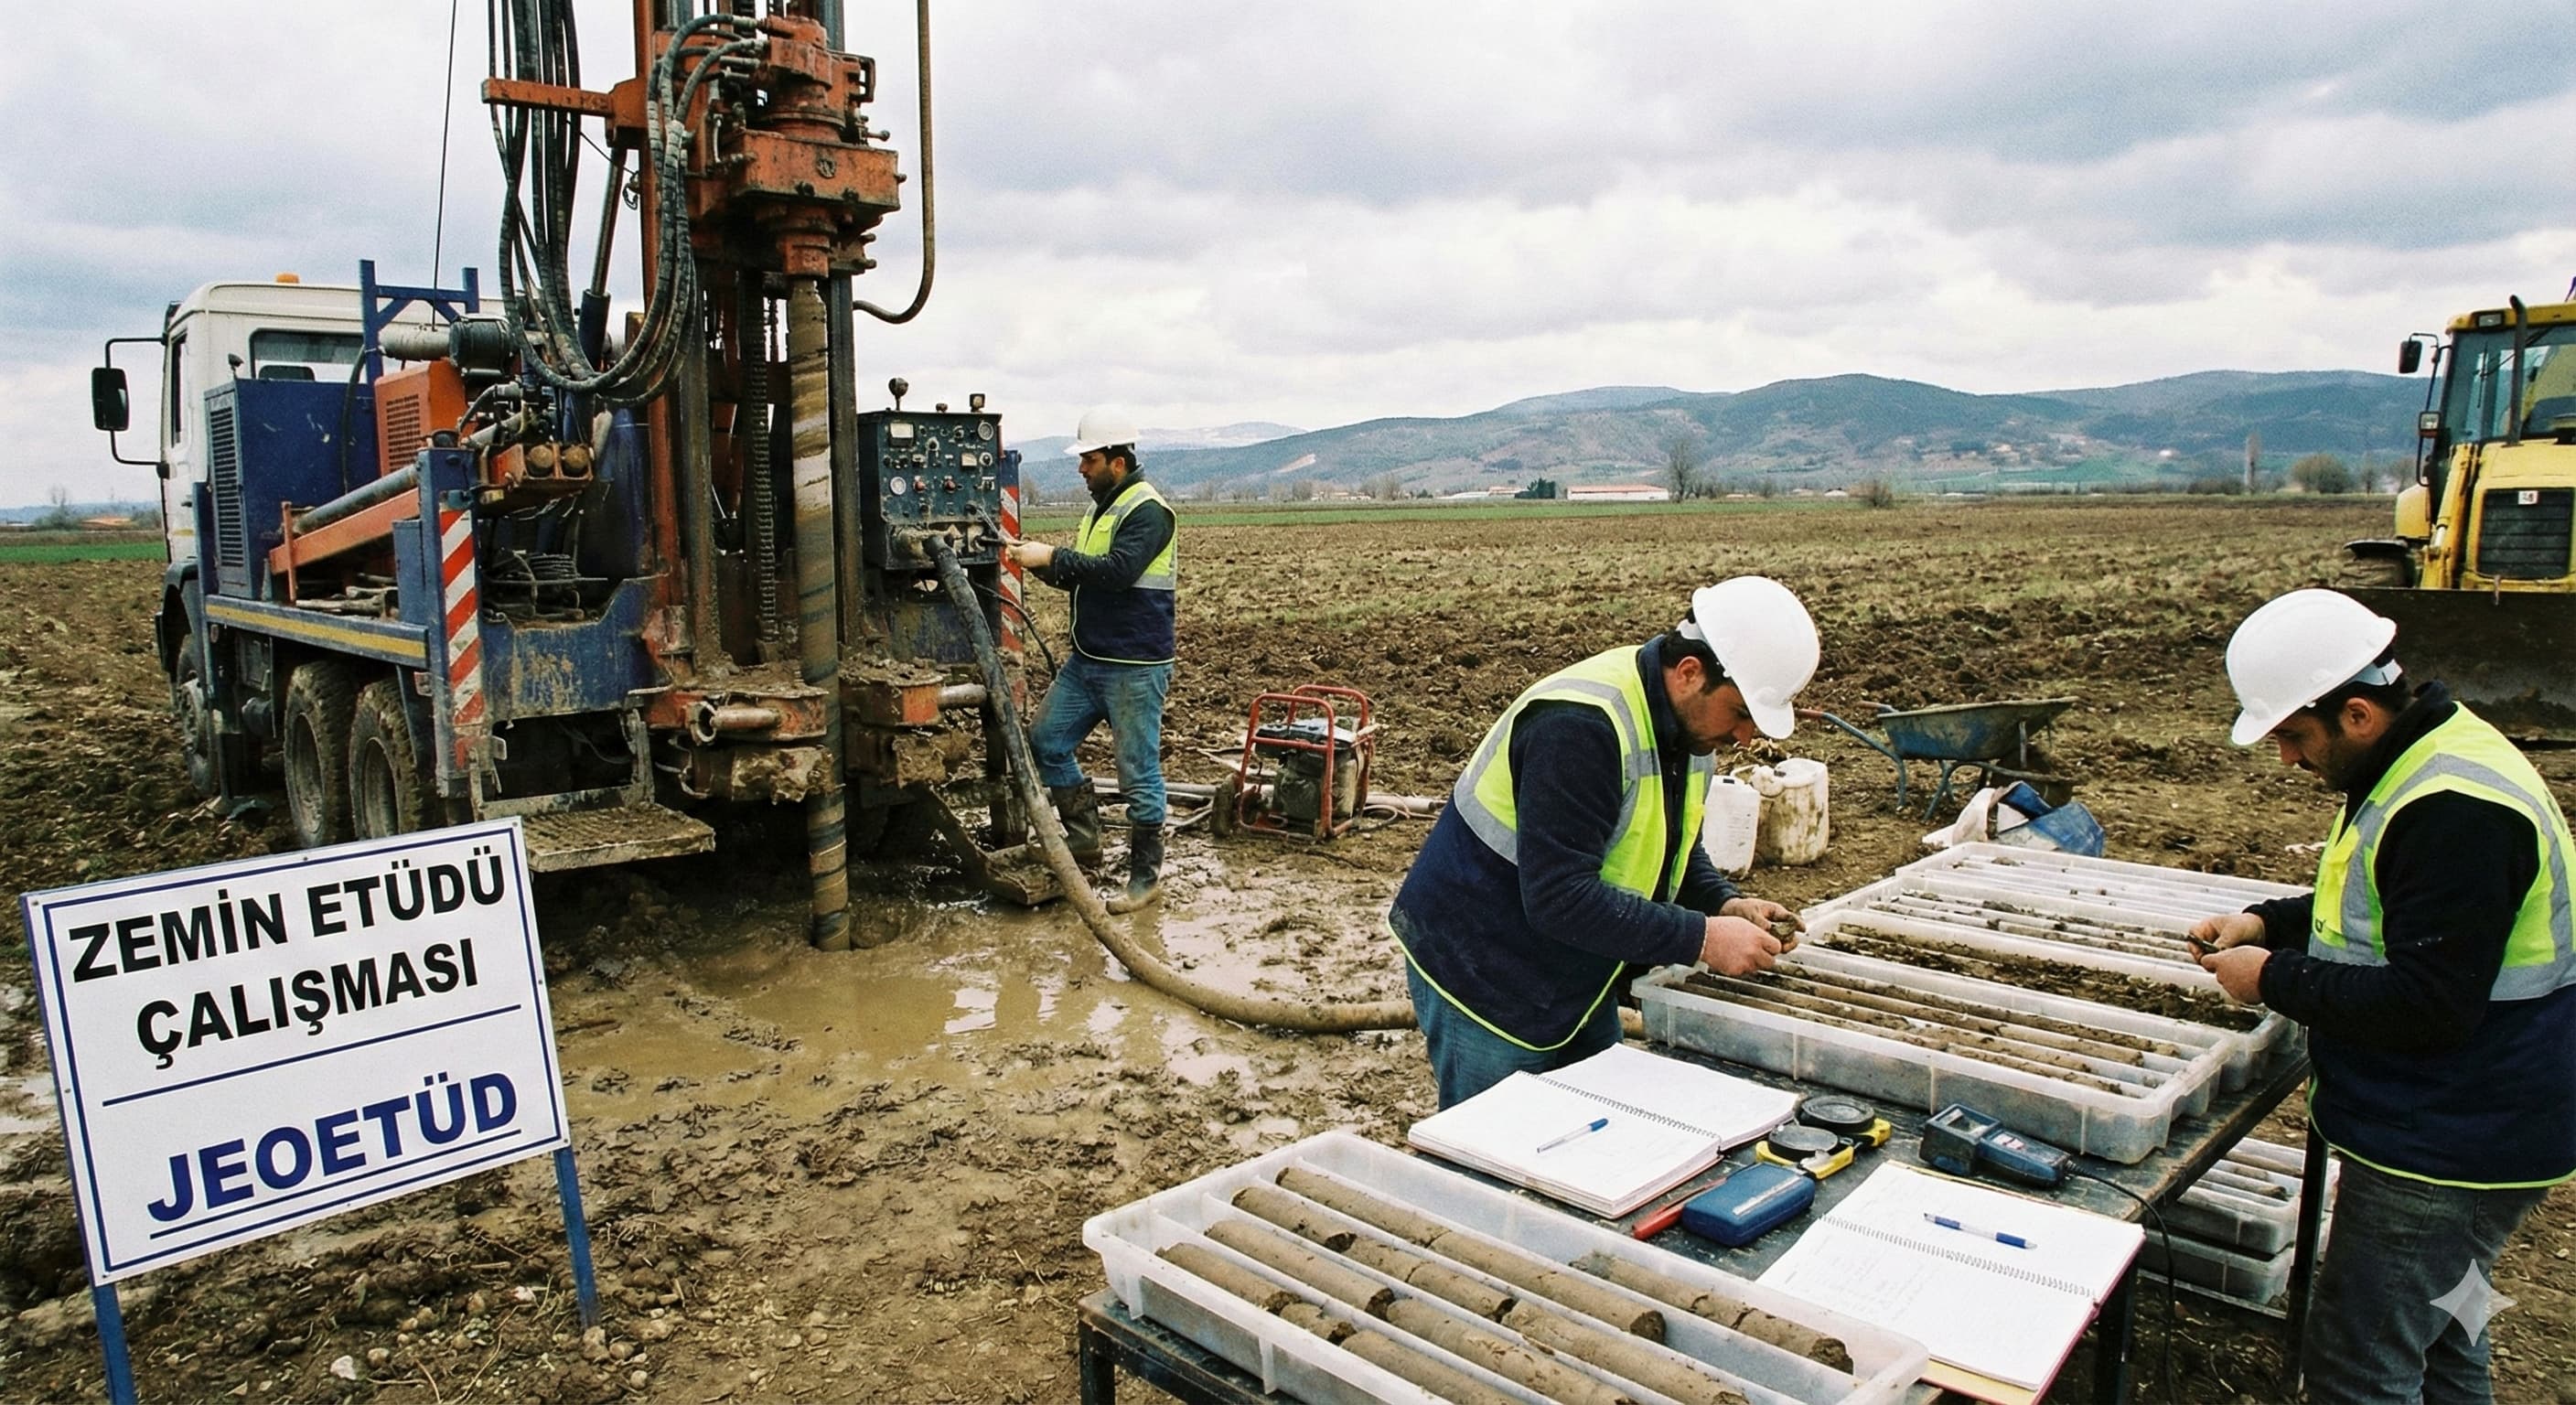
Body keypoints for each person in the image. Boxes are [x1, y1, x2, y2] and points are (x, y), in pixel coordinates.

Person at [2192, 588, 2575, 1405]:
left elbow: (2427, 1005)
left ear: (2358, 714)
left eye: (2295, 736)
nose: (2288, 759)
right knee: (2444, 1334)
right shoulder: (2426, 761)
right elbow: (2391, 907)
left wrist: (2271, 977)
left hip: (2448, 1144)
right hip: (2484, 1119)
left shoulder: (2454, 810)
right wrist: (2269, 922)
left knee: (2362, 1367)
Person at [1389, 575, 1821, 1108]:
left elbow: (1669, 843)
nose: (1744, 737)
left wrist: (1721, 901)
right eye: (1740, 713)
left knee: (1596, 1124)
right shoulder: (1580, 727)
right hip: (1484, 968)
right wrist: (1703, 938)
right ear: (1690, 673)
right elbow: (1558, 897)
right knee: (1495, 1139)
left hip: (1577, 965)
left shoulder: (1689, 730)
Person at [1004, 407, 1177, 913]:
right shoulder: (1100, 509)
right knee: (1047, 740)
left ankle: (1144, 879)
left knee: (1137, 772)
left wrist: (1052, 556)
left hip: (1134, 667)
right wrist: (1034, 561)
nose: (1082, 468)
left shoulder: (1148, 511)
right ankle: (1084, 839)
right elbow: (1084, 576)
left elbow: (1118, 572)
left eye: (1090, 459)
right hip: (1088, 660)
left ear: (1117, 462)